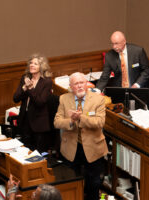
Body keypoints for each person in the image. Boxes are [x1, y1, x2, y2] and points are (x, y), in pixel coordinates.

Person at [54, 72, 108, 200]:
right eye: (76, 84)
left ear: (87, 84)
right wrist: (71, 121)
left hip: (93, 148)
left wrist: (81, 118)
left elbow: (100, 122)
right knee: (71, 182)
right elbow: (57, 122)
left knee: (93, 183)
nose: (79, 86)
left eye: (82, 83)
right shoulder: (63, 99)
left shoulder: (98, 99)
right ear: (71, 87)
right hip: (71, 148)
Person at [13, 54, 53, 152]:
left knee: (38, 154)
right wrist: (24, 88)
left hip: (38, 123)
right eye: (31, 63)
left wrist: (30, 88)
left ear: (42, 67)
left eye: (35, 64)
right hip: (24, 120)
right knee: (24, 151)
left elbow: (40, 102)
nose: (32, 65)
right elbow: (15, 98)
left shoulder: (47, 82)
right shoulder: (25, 78)